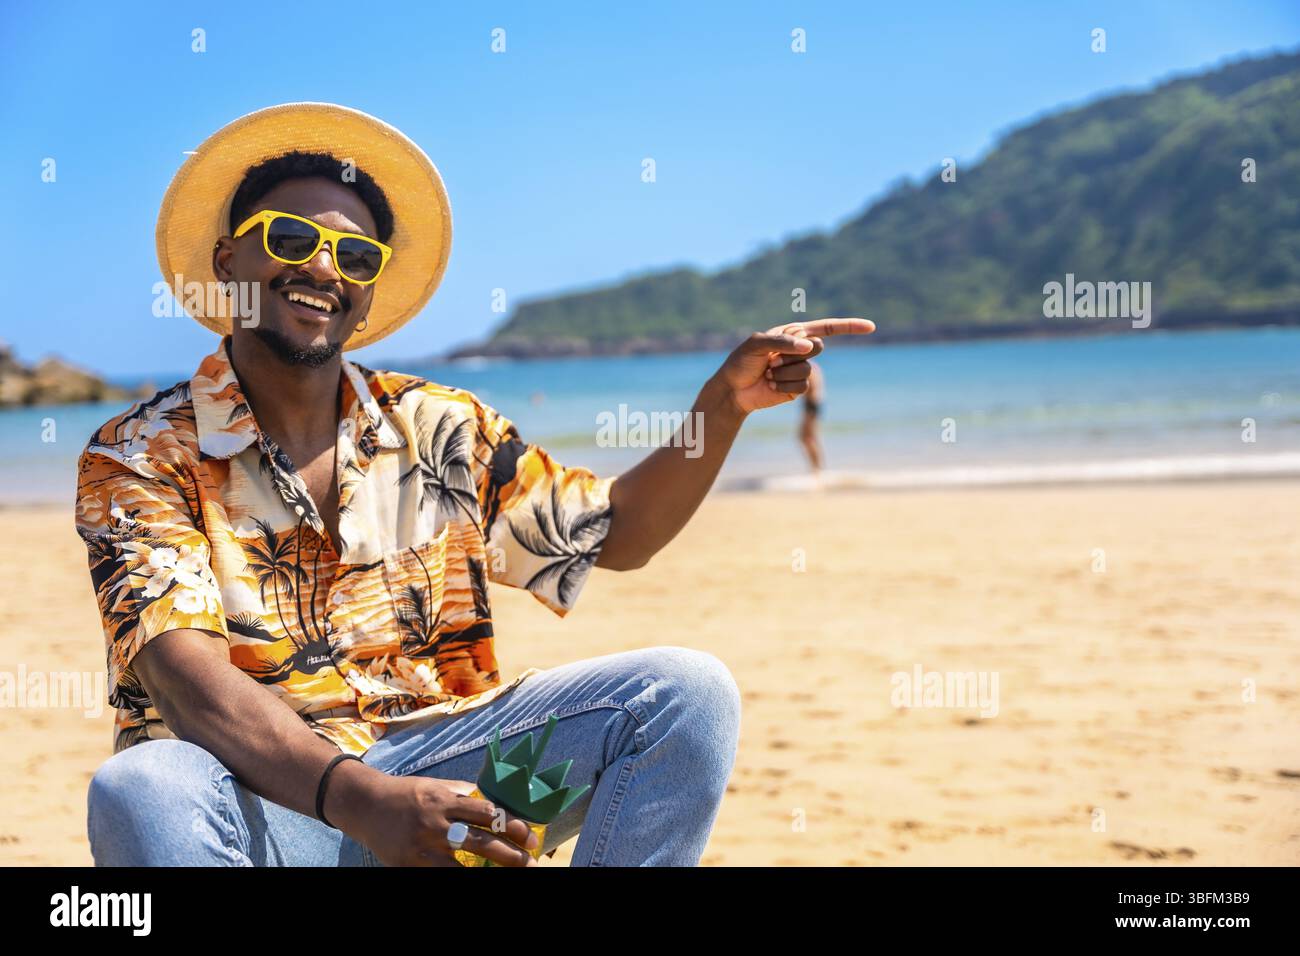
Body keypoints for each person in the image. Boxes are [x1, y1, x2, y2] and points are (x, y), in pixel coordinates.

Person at [76, 103, 874, 867]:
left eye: (356, 256)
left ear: (367, 292)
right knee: (144, 785)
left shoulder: (443, 428)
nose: (322, 266)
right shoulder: (140, 454)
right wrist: (364, 800)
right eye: (291, 238)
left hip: (451, 803)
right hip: (269, 822)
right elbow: (184, 682)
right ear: (229, 261)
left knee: (685, 694)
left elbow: (616, 535)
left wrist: (723, 406)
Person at [799, 360, 825, 474]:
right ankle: (817, 468)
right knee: (809, 437)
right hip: (812, 404)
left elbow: (811, 387)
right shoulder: (812, 366)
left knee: (807, 438)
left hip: (811, 405)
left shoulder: (810, 367)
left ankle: (817, 468)